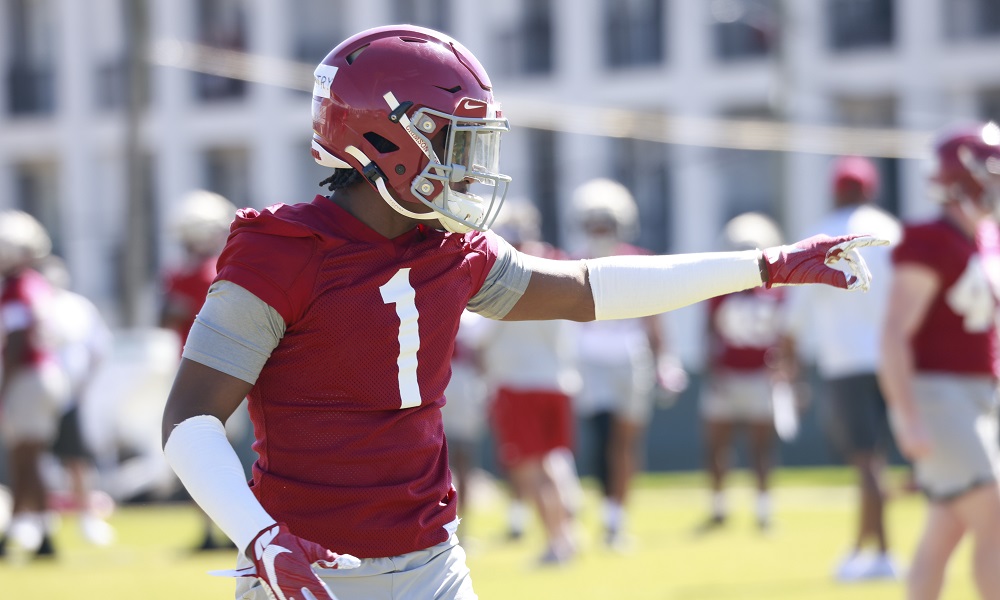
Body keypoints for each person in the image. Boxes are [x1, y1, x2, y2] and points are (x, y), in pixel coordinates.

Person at [159, 24, 886, 600]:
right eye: (454, 137)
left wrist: (763, 266)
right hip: (308, 570)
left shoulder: (449, 248)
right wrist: (260, 539)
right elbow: (189, 417)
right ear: (385, 138)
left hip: (432, 564)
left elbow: (587, 289)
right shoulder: (283, 250)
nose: (472, 163)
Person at [879, 121, 1000, 600]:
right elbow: (893, 332)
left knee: (946, 528)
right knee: (993, 517)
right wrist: (907, 414)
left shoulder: (983, 237)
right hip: (938, 395)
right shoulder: (929, 239)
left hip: (977, 396)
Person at [782, 155, 903, 581]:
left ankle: (878, 553)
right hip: (892, 357)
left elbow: (795, 312)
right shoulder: (892, 232)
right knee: (877, 459)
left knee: (866, 460)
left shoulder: (823, 235)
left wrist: (789, 369)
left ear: (836, 189)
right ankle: (866, 551)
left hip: (846, 360)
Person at [570, 178, 687, 550]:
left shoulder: (638, 260)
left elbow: (654, 319)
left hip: (628, 360)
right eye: (594, 224)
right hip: (589, 361)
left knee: (624, 442)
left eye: (606, 224)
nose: (600, 231)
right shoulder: (575, 263)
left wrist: (665, 361)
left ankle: (616, 518)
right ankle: (607, 512)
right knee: (599, 442)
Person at [479, 199, 583, 564]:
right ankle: (569, 531)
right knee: (554, 461)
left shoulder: (503, 273)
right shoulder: (559, 264)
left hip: (518, 383)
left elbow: (479, 335)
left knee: (531, 466)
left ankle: (558, 541)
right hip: (557, 379)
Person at [160, 189, 249, 552]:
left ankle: (218, 531)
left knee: (201, 454)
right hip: (238, 369)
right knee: (231, 454)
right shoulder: (232, 266)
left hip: (197, 372)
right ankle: (237, 528)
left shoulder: (187, 275)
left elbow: (165, 319)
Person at [700, 212, 786, 532]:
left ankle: (763, 509)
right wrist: (713, 372)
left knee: (760, 447)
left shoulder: (775, 292)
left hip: (760, 377)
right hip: (728, 375)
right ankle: (719, 506)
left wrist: (784, 372)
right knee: (718, 445)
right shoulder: (721, 290)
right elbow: (709, 334)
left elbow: (784, 336)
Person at [0, 211, 68, 559]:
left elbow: (16, 340)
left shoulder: (16, 287)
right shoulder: (36, 283)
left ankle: (42, 535)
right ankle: (28, 532)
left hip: (28, 375)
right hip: (45, 374)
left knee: (24, 459)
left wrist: (3, 387)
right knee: (28, 459)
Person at [37, 255, 116, 547]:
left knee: (77, 461)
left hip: (71, 396)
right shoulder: (34, 302)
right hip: (40, 398)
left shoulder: (78, 307)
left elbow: (98, 349)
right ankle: (42, 521)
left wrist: (84, 385)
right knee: (38, 462)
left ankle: (87, 518)